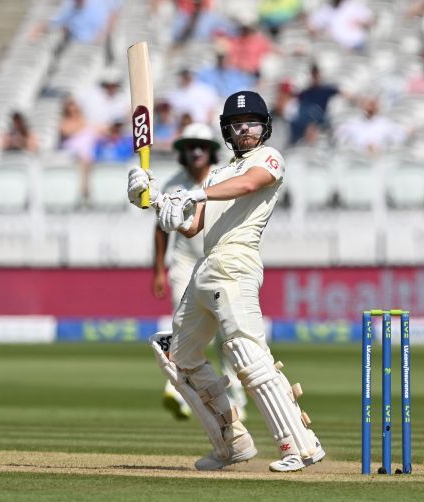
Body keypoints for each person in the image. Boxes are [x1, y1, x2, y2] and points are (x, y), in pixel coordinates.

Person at [127, 90, 324, 472]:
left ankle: (300, 447)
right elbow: (194, 226)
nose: (244, 129)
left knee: (247, 355)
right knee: (177, 357)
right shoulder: (218, 173)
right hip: (207, 266)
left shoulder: (269, 159)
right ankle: (232, 443)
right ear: (226, 131)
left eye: (251, 122)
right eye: (236, 124)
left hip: (236, 263)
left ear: (264, 126)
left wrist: (192, 193)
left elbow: (249, 184)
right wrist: (154, 202)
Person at [151, 123, 248, 422]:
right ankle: (181, 392)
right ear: (183, 152)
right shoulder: (172, 185)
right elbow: (161, 229)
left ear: (210, 151)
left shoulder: (223, 177)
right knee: (184, 330)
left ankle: (235, 397)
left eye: (201, 146)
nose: (196, 151)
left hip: (218, 261)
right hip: (183, 263)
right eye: (190, 146)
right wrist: (158, 271)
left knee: (225, 335)